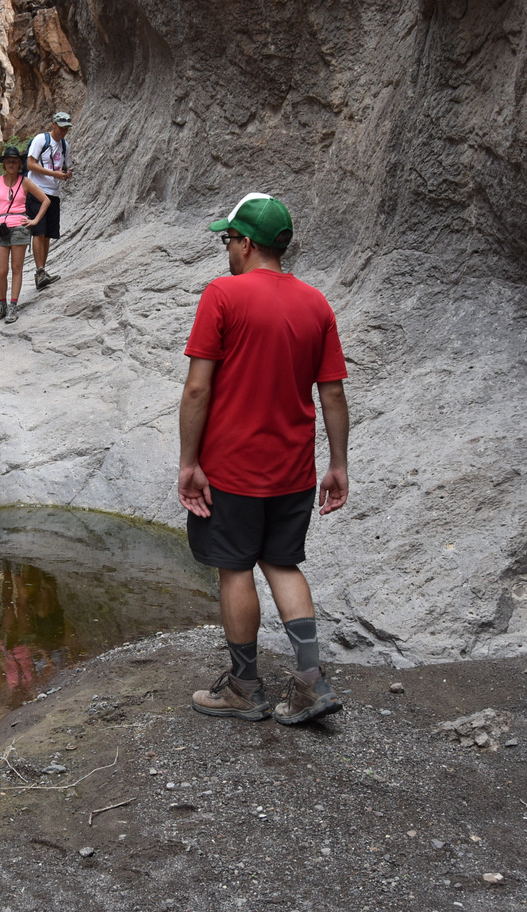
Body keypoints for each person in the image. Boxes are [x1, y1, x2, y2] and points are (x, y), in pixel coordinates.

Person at [177, 192, 350, 726]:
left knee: (235, 569)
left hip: (232, 470)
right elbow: (334, 394)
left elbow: (198, 390)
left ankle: (244, 688)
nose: (226, 249)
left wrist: (188, 462)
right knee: (282, 563)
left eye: (228, 239)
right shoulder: (316, 303)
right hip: (293, 471)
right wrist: (338, 465)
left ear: (247, 243)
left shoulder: (223, 295)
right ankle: (308, 682)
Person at [0, 146, 49, 324]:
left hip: (19, 228)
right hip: (0, 229)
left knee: (17, 269)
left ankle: (12, 306)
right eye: (8, 161)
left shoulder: (24, 182)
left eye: (14, 161)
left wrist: (34, 221)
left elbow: (45, 200)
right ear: (4, 164)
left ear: (19, 164)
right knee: (1, 271)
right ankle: (1, 303)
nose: (11, 164)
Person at [25, 111, 72, 289]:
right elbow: (30, 164)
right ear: (53, 125)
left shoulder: (65, 145)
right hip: (37, 191)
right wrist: (54, 174)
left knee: (47, 235)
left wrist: (66, 174)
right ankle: (39, 271)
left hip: (54, 193)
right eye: (61, 128)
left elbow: (64, 166)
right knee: (39, 231)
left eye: (66, 129)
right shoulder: (41, 140)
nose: (63, 132)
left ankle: (42, 272)